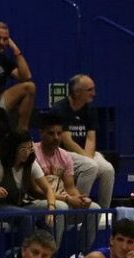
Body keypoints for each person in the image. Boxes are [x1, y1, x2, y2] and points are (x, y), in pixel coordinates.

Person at [0, 130, 66, 248]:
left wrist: (51, 207)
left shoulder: (31, 164)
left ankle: (51, 256)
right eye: (23, 149)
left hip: (20, 204)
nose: (27, 153)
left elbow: (48, 189)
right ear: (13, 149)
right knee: (26, 215)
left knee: (58, 210)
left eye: (29, 148)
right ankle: (24, 255)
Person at [35, 112, 101, 251]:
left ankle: (84, 254)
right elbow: (37, 190)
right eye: (51, 133)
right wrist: (68, 199)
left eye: (59, 133)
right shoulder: (33, 153)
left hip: (62, 200)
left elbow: (70, 187)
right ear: (41, 133)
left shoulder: (65, 156)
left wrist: (79, 199)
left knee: (94, 208)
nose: (56, 138)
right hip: (38, 201)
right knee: (61, 207)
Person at [50, 74, 115, 208]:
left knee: (108, 169)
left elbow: (91, 139)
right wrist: (88, 160)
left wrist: (89, 157)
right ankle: (79, 208)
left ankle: (103, 211)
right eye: (90, 90)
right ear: (77, 92)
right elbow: (67, 141)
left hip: (84, 153)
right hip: (64, 153)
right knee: (91, 166)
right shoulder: (60, 109)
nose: (94, 93)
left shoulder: (90, 110)